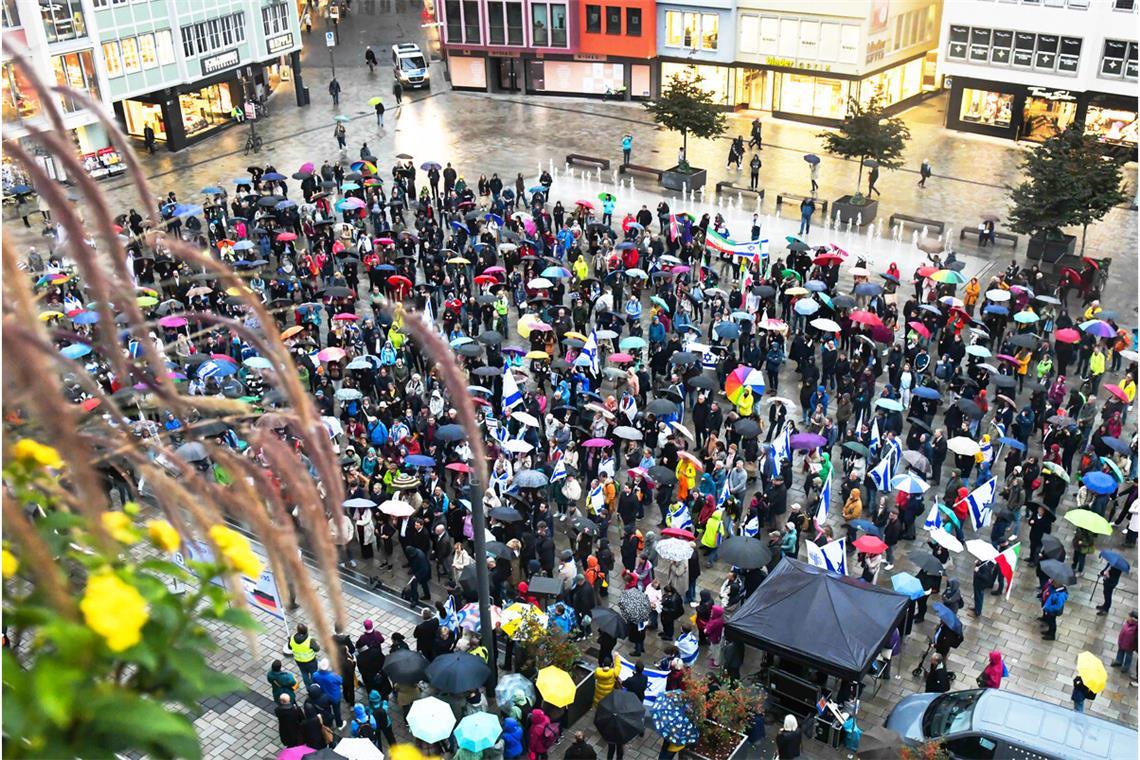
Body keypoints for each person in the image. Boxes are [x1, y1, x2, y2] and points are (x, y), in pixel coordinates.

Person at [312, 658, 345, 729]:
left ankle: (329, 723)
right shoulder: (333, 676)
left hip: (323, 696)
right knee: (337, 711)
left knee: (327, 710)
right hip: (334, 697)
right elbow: (341, 681)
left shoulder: (315, 675)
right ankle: (339, 724)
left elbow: (314, 682)